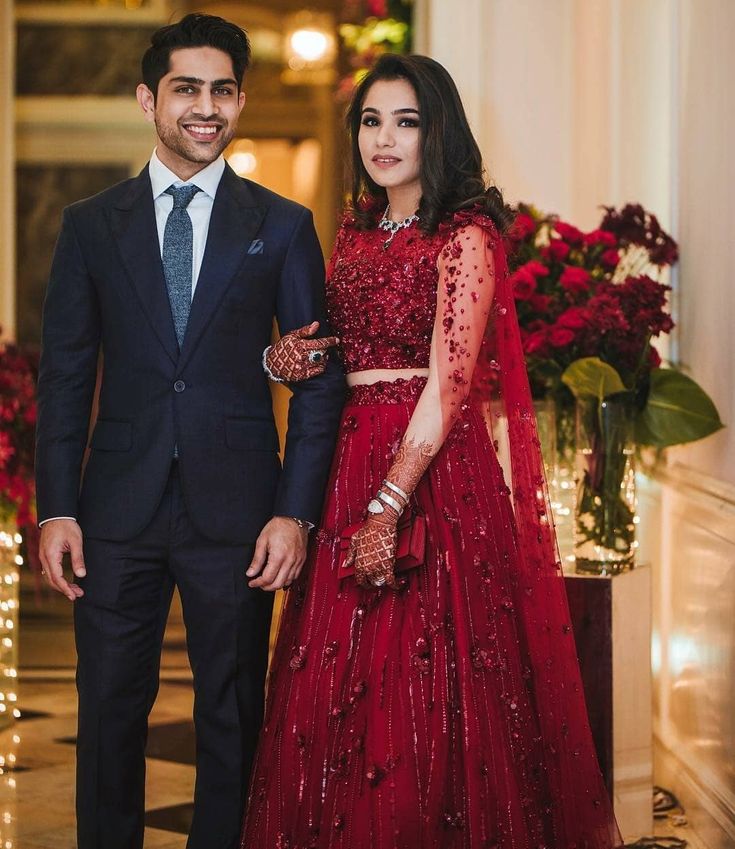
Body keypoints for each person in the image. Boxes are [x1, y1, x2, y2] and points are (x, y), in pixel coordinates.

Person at [240, 54, 622, 848]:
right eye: (371, 121)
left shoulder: (466, 232)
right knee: (335, 676)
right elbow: (349, 346)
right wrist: (284, 359)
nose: (384, 139)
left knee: (425, 676)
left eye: (405, 122)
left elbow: (450, 383)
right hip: (347, 460)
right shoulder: (354, 226)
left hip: (428, 470)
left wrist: (389, 501)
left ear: (435, 131)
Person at [34, 14, 344, 849]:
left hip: (239, 515)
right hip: (114, 513)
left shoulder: (281, 227)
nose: (205, 107)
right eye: (186, 89)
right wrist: (55, 507)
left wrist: (295, 512)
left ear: (239, 100)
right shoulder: (90, 226)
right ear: (148, 99)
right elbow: (64, 376)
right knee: (105, 718)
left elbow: (318, 386)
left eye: (221, 90)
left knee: (233, 720)